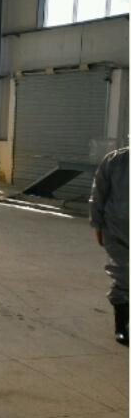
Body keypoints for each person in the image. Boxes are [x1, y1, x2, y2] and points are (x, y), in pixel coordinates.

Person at [89, 146, 129, 346]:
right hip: (117, 229)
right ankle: (121, 326)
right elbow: (98, 193)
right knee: (123, 276)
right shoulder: (115, 161)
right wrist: (97, 224)